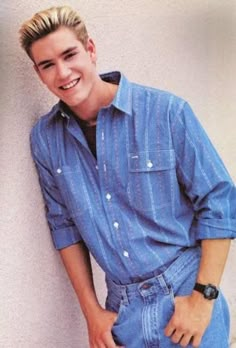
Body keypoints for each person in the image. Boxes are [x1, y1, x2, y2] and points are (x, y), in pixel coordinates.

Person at [19, 6, 236, 348]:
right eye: (48, 65)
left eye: (69, 55)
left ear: (90, 50)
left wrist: (203, 297)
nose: (62, 72)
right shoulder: (46, 139)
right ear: (38, 73)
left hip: (184, 296)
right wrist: (91, 312)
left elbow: (219, 201)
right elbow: (63, 226)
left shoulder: (167, 112)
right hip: (122, 313)